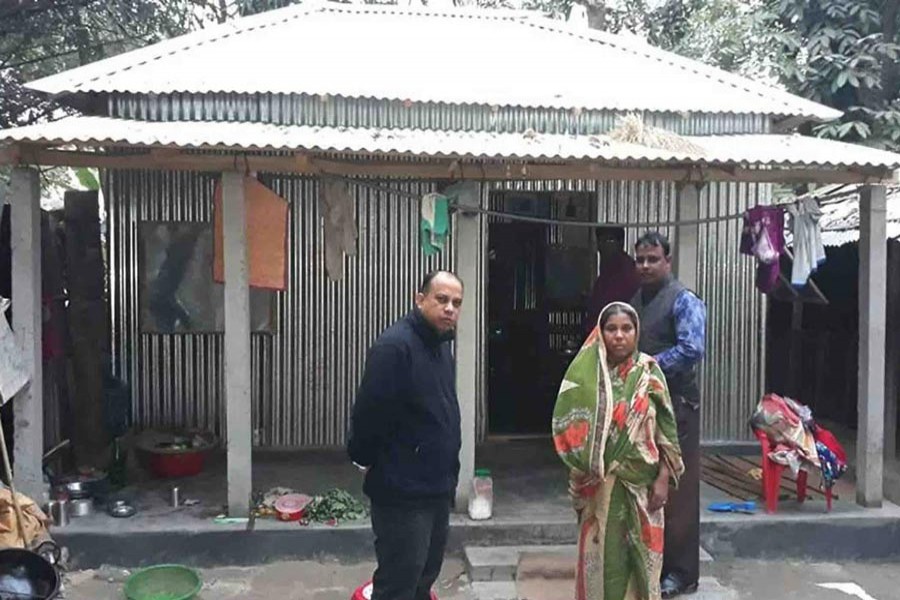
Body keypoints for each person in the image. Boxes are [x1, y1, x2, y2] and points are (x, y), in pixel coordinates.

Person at [552, 301, 684, 600]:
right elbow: (571, 428)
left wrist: (663, 477)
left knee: (644, 565)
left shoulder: (649, 374)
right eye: (611, 329)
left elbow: (667, 433)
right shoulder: (587, 377)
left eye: (627, 328)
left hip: (644, 487)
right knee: (601, 563)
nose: (619, 336)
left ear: (637, 332)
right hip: (600, 487)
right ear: (601, 333)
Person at [347, 270, 464, 600]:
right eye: (441, 299)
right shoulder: (395, 347)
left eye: (456, 303)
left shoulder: (441, 348)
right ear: (419, 299)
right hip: (402, 492)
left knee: (424, 578)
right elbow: (369, 413)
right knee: (399, 581)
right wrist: (364, 459)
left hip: (436, 487)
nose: (449, 308)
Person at [630, 232, 707, 599]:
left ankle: (681, 574)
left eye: (652, 259)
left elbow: (692, 349)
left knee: (678, 487)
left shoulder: (683, 300)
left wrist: (648, 367)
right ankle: (653, 564)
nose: (645, 265)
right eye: (640, 259)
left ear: (668, 261)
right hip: (644, 405)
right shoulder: (637, 301)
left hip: (677, 405)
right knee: (648, 483)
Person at [584, 227, 640, 337]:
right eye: (600, 241)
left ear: (621, 243)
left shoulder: (628, 271)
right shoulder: (606, 270)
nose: (602, 245)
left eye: (609, 240)